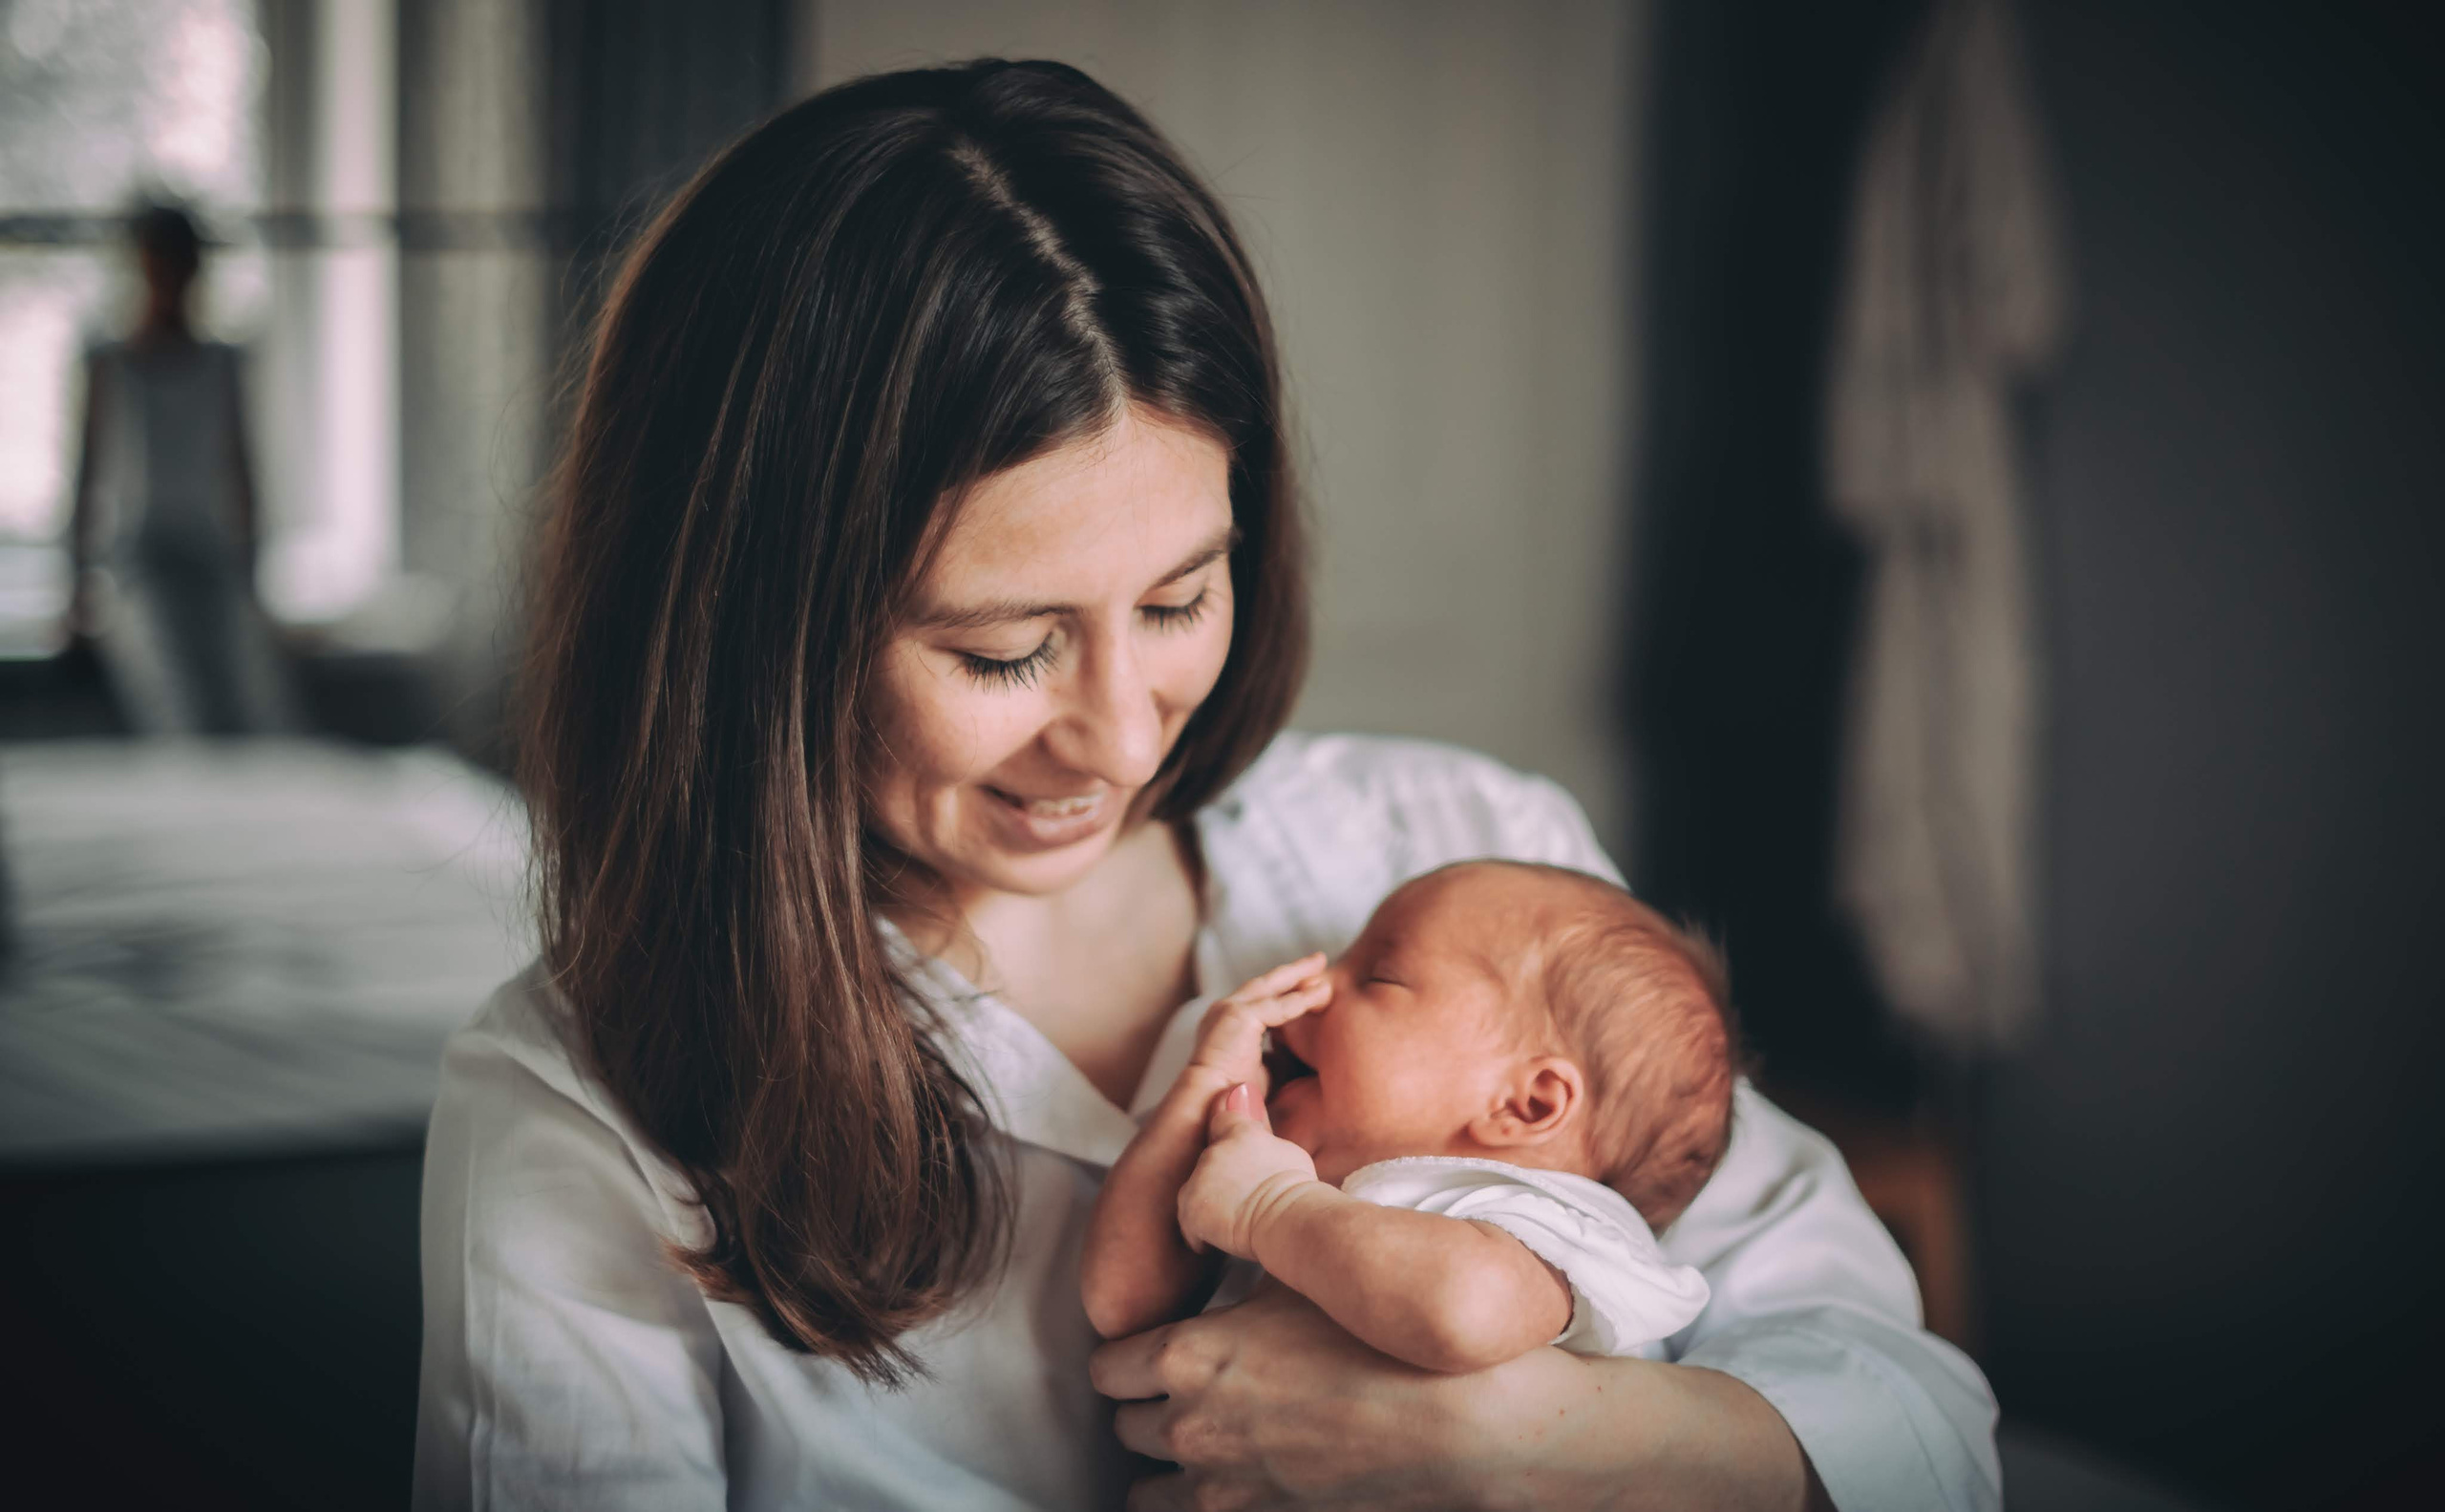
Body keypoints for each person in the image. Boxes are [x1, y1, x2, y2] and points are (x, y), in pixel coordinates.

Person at [415, 59, 2001, 1511]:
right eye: (1005, 648)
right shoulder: (586, 1100)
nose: (1121, 736)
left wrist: (1534, 1446)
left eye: (1180, 601)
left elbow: (1912, 1418)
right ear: (750, 629)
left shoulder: (1460, 858)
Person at [1081, 861, 1730, 1370]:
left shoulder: (1547, 1221)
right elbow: (1123, 1302)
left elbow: (1464, 1309)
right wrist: (1205, 1089)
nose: (1320, 985)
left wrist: (1270, 1211)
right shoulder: (1297, 1181)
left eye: (1379, 977)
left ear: (1525, 1105)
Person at [67, 202, 290, 734]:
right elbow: (85, 476)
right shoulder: (110, 362)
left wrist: (254, 588)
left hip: (212, 557)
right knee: (176, 709)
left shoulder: (222, 362)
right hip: (137, 566)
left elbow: (244, 473)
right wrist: (74, 591)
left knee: (264, 708)